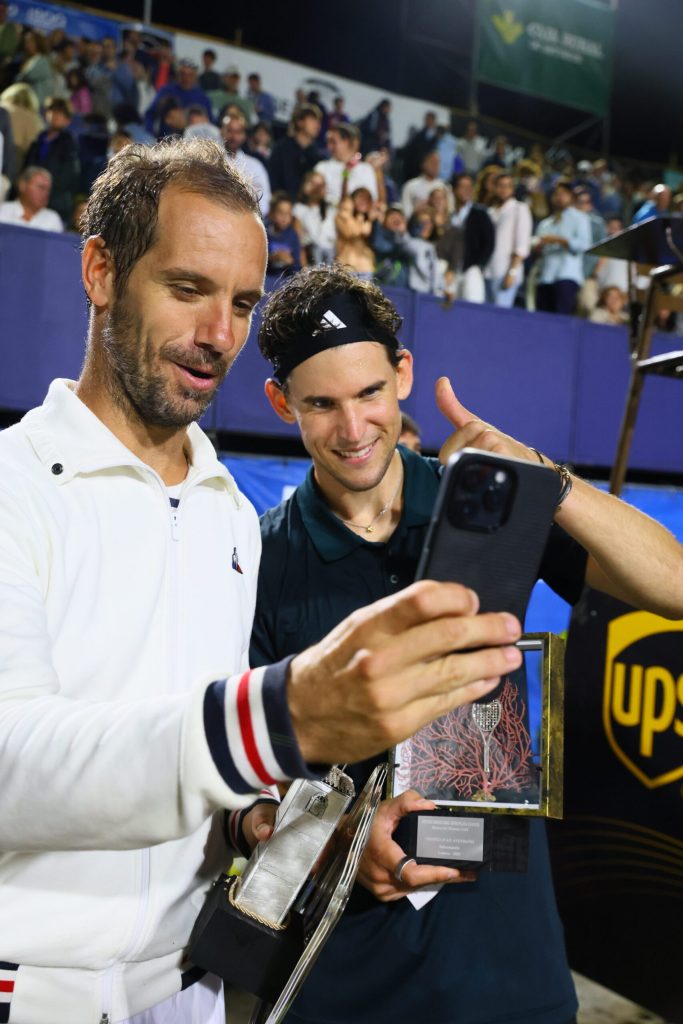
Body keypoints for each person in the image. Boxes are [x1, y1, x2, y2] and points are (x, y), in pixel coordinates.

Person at [0, 137, 523, 1024]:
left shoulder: (228, 518)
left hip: (193, 991)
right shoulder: (12, 486)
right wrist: (285, 714)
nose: (219, 337)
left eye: (242, 303)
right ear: (99, 271)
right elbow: (14, 765)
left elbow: (220, 795)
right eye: (187, 289)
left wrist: (332, 838)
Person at [249, 262, 683, 1024]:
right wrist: (340, 839)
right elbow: (249, 769)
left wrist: (543, 477)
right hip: (345, 962)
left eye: (369, 394)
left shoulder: (491, 502)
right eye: (321, 404)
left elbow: (672, 584)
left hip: (506, 952)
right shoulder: (258, 559)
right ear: (280, 402)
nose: (353, 430)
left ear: (403, 375)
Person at [534, 181, 592, 316]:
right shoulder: (545, 223)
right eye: (556, 194)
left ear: (571, 197)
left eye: (563, 194)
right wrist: (538, 248)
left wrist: (559, 240)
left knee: (561, 320)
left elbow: (584, 245)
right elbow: (538, 251)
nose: (559, 197)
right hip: (545, 276)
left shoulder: (580, 218)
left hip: (567, 275)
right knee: (541, 319)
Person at [436, 172, 494, 303]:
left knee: (472, 305)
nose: (467, 191)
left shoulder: (480, 214)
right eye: (463, 187)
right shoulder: (448, 215)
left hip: (470, 269)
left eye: (470, 187)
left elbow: (489, 243)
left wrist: (479, 265)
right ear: (455, 190)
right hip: (448, 270)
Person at [484, 171, 533, 308]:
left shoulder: (519, 209)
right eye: (500, 185)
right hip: (488, 270)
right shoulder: (490, 212)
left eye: (507, 186)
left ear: (512, 189)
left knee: (499, 315)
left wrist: (512, 272)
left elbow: (522, 244)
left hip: (506, 271)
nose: (503, 189)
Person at [268, 103, 322, 199]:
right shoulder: (281, 148)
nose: (317, 125)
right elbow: (273, 179)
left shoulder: (317, 155)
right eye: (313, 120)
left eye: (319, 121)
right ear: (299, 122)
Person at [315, 122, 378, 204]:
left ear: (346, 142)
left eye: (333, 142)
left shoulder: (366, 169)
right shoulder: (321, 167)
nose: (328, 146)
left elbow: (372, 198)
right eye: (328, 142)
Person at [0, 164, 63, 231]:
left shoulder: (52, 219)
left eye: (48, 190)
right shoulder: (4, 211)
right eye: (41, 187)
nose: (45, 193)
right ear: (22, 186)